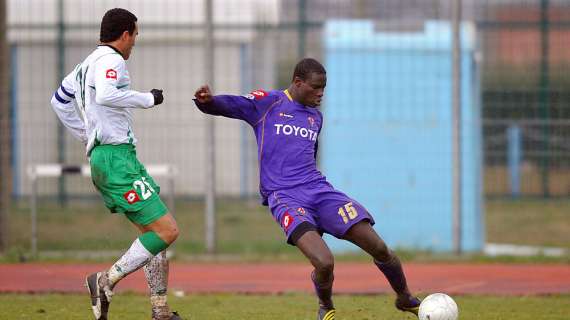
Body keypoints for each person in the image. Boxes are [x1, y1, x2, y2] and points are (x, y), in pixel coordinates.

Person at [193, 58, 421, 320]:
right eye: (316, 87)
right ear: (298, 83)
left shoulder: (315, 117)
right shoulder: (269, 102)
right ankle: (326, 305)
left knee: (379, 247)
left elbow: (308, 155)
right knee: (324, 262)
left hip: (319, 191)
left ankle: (404, 297)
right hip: (285, 196)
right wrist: (207, 101)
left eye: (324, 87)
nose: (321, 93)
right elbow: (234, 105)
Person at [50, 8, 182, 320]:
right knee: (168, 231)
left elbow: (59, 101)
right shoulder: (112, 60)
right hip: (115, 158)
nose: (134, 42)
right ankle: (105, 281)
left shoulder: (85, 65)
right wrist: (148, 99)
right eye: (134, 35)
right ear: (125, 34)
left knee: (153, 233)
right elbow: (108, 95)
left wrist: (86, 135)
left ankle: (160, 311)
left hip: (111, 157)